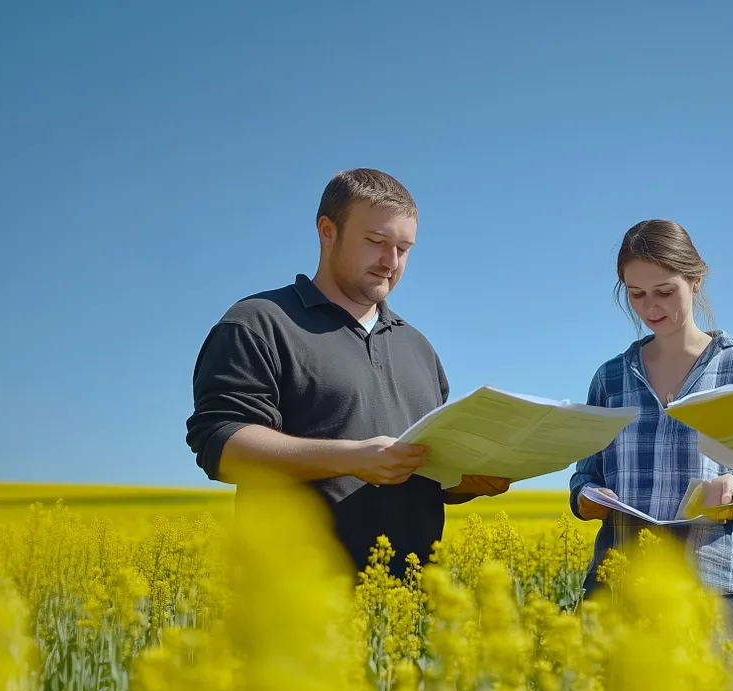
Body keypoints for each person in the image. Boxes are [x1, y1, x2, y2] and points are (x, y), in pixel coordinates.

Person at [185, 168, 510, 578]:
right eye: (376, 242)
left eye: (404, 249)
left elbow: (423, 472)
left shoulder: (419, 348)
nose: (390, 262)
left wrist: (466, 482)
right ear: (327, 230)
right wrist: (351, 458)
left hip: (409, 609)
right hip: (295, 601)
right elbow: (221, 444)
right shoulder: (258, 323)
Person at [569, 219, 733, 645]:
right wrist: (589, 497)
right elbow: (584, 475)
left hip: (717, 587)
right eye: (636, 294)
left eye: (665, 291)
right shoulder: (610, 378)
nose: (651, 308)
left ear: (695, 280)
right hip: (623, 585)